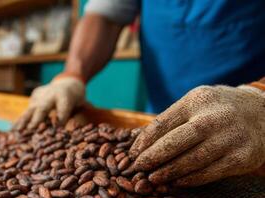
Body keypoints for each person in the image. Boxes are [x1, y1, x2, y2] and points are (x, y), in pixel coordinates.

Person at [15, 0, 265, 187]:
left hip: (250, 122)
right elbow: (105, 15)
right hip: (158, 115)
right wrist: (72, 75)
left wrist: (259, 98)